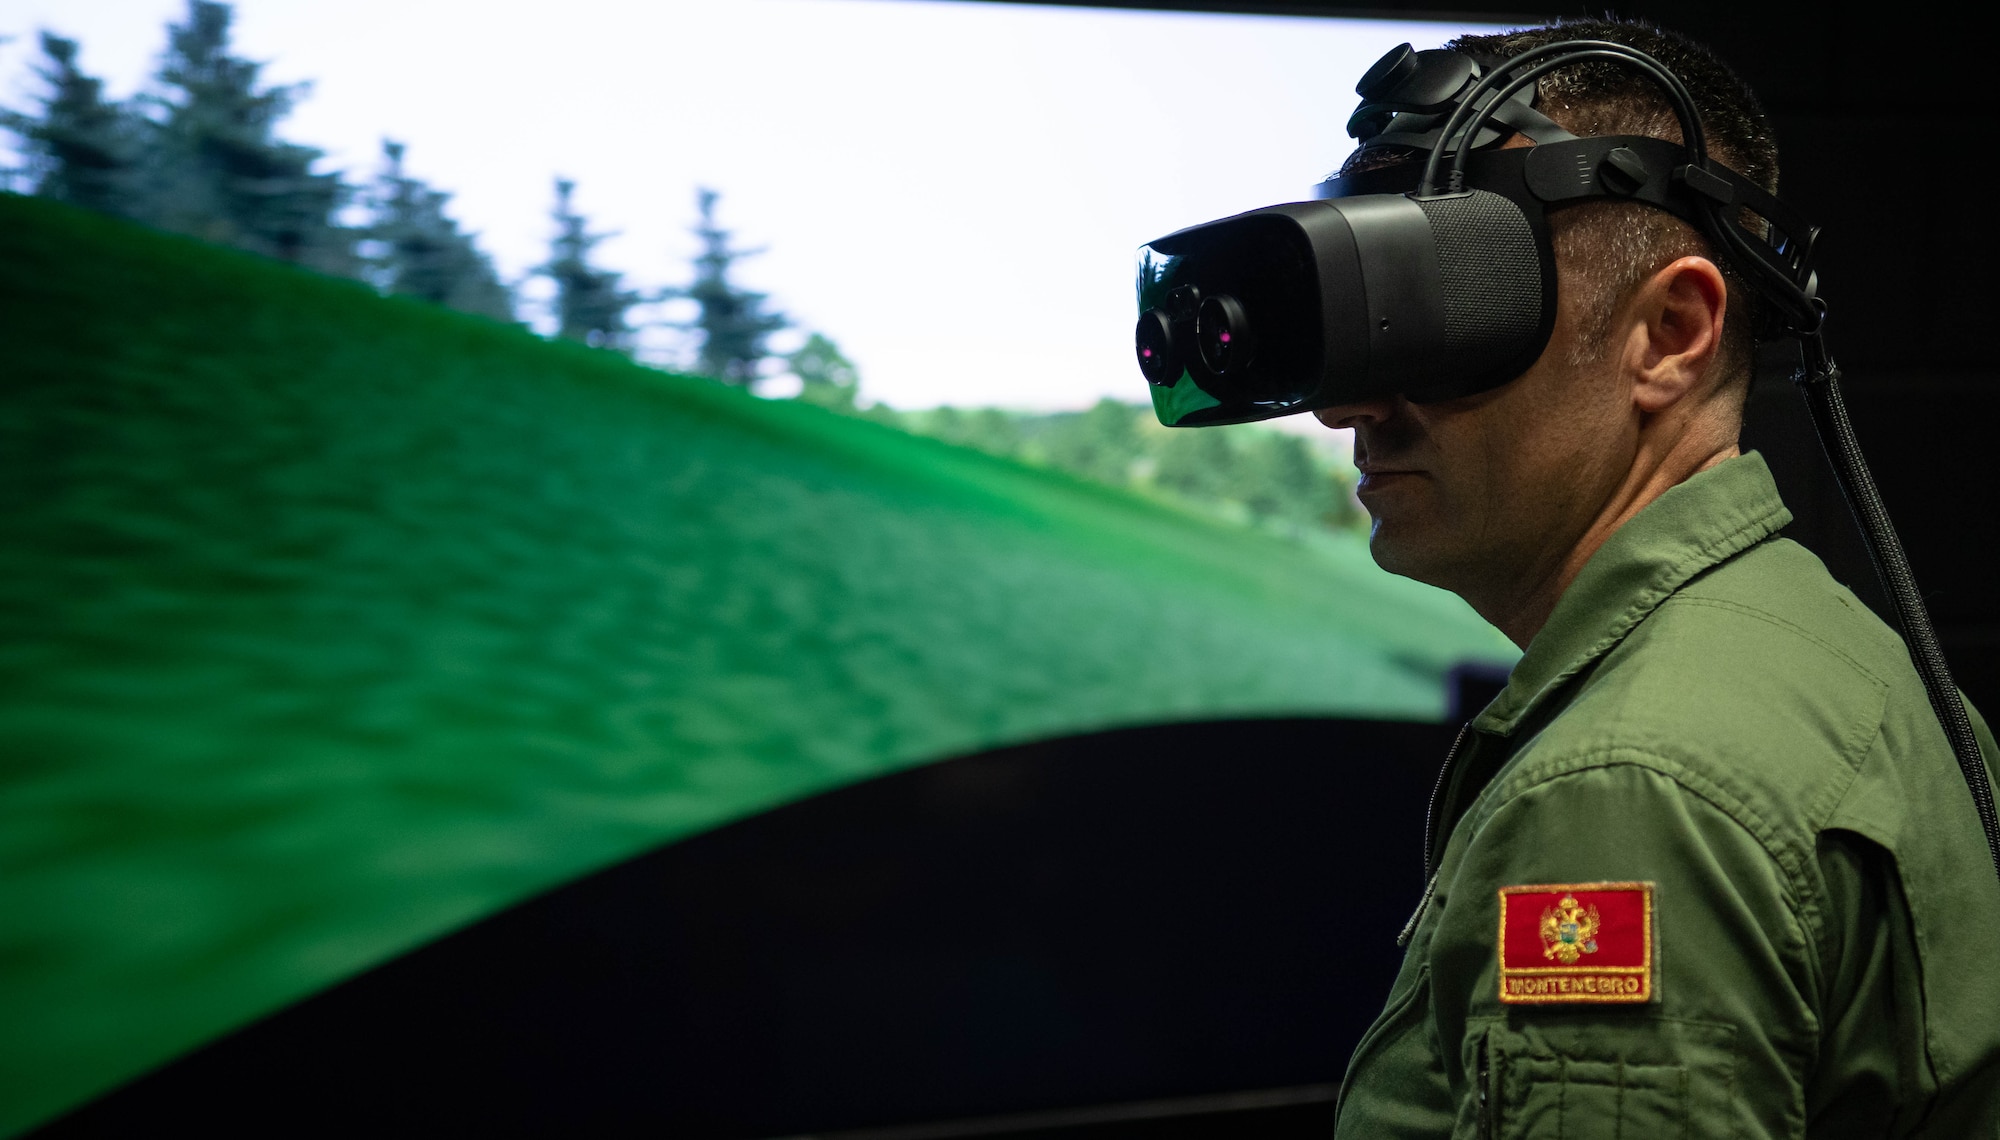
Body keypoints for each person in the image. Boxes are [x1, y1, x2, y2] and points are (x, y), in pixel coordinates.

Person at [1313, 19, 2000, 1138]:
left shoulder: (1625, 789)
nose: (1347, 407)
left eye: (1449, 316)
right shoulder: (1838, 658)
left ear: (1669, 332)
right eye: (1376, 320)